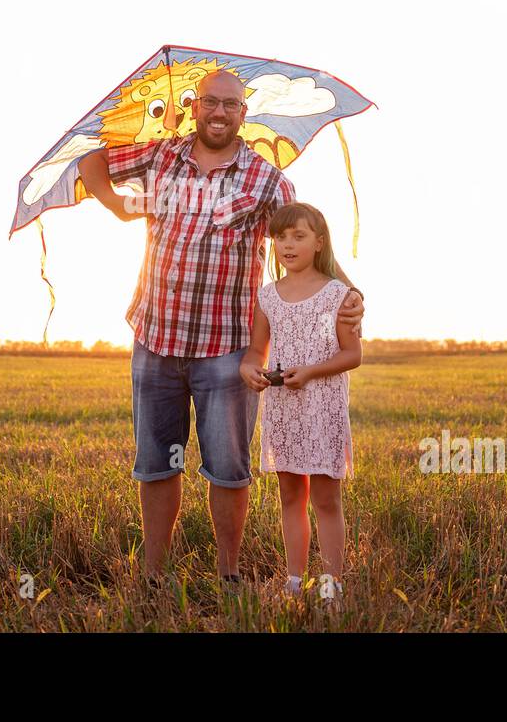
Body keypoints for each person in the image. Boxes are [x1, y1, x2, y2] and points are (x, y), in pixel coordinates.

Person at [77, 68, 367, 587]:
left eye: (230, 105)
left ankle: (229, 574)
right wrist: (119, 204)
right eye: (210, 102)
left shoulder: (268, 180)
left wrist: (348, 292)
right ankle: (153, 575)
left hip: (227, 349)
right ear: (194, 106)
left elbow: (301, 247)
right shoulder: (160, 156)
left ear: (243, 114)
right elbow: (91, 161)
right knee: (156, 464)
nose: (219, 113)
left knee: (229, 469)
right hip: (155, 337)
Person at [240, 202, 362, 601]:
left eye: (299, 236)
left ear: (319, 242)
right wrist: (251, 369)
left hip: (322, 407)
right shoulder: (267, 297)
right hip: (283, 410)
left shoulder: (338, 295)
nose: (287, 245)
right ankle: (294, 582)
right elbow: (256, 351)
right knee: (291, 495)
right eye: (280, 237)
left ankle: (332, 585)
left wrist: (309, 371)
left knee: (326, 499)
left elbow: (352, 355)